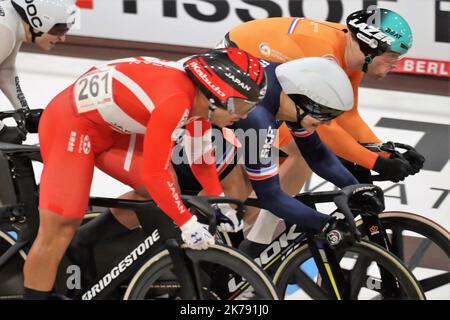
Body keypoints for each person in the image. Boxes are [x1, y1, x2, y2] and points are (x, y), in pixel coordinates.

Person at [22, 48, 267, 300]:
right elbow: (153, 173)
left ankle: (88, 240)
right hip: (72, 123)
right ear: (214, 94)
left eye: (251, 105)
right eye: (241, 104)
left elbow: (201, 160)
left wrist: (218, 203)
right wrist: (187, 223)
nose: (245, 114)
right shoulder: (176, 101)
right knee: (60, 227)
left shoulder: (198, 102)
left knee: (164, 191)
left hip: (113, 126)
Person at [219, 8, 425, 241]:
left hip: (268, 76)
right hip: (240, 70)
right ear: (370, 48)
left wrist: (383, 150)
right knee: (292, 147)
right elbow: (324, 127)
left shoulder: (352, 54)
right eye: (392, 56)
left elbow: (347, 116)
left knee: (295, 150)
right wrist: (375, 161)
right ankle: (252, 238)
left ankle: (254, 236)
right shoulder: (326, 58)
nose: (396, 64)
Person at [0, 0, 76, 143]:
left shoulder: (12, 23)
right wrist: (1, 130)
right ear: (38, 22)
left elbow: (6, 71)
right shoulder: (4, 31)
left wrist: (24, 112)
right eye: (60, 29)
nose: (62, 37)